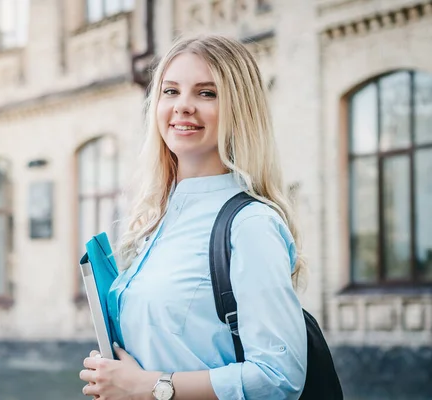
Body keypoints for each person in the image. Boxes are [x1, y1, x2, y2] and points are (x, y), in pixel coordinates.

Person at [79, 34, 308, 400]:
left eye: (207, 93)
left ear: (240, 109)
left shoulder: (250, 225)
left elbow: (280, 376)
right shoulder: (158, 217)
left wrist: (150, 387)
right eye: (171, 91)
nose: (183, 106)